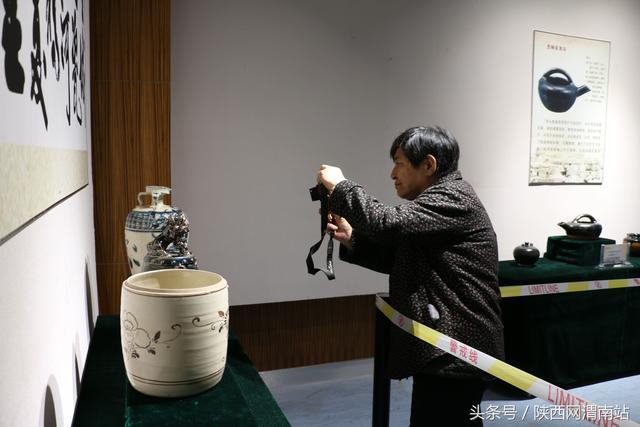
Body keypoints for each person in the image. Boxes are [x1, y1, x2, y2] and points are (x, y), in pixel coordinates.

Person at [316, 126, 504, 426]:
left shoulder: (454, 198)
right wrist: (352, 239)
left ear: (428, 165)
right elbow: (402, 260)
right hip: (446, 348)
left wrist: (341, 186)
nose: (393, 173)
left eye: (399, 163)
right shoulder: (442, 201)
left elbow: (386, 223)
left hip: (456, 349)